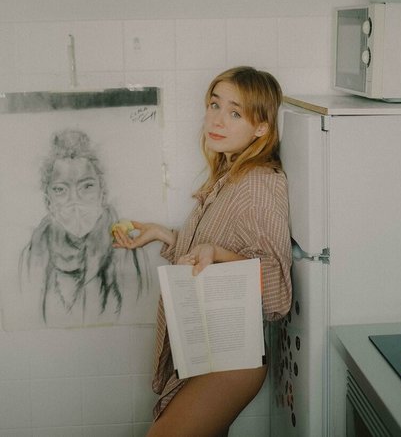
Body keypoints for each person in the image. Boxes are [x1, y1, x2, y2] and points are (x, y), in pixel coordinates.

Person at [113, 66, 292, 437]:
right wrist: (162, 234)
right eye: (214, 105)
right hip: (213, 348)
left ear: (261, 128)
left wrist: (217, 252)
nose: (217, 120)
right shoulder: (231, 175)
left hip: (232, 358)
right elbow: (212, 248)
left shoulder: (259, 184)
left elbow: (277, 292)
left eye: (235, 113)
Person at [20, 128, 150, 326]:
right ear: (48, 201)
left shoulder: (129, 251)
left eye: (87, 186)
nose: (75, 200)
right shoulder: (32, 257)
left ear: (102, 193)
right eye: (60, 189)